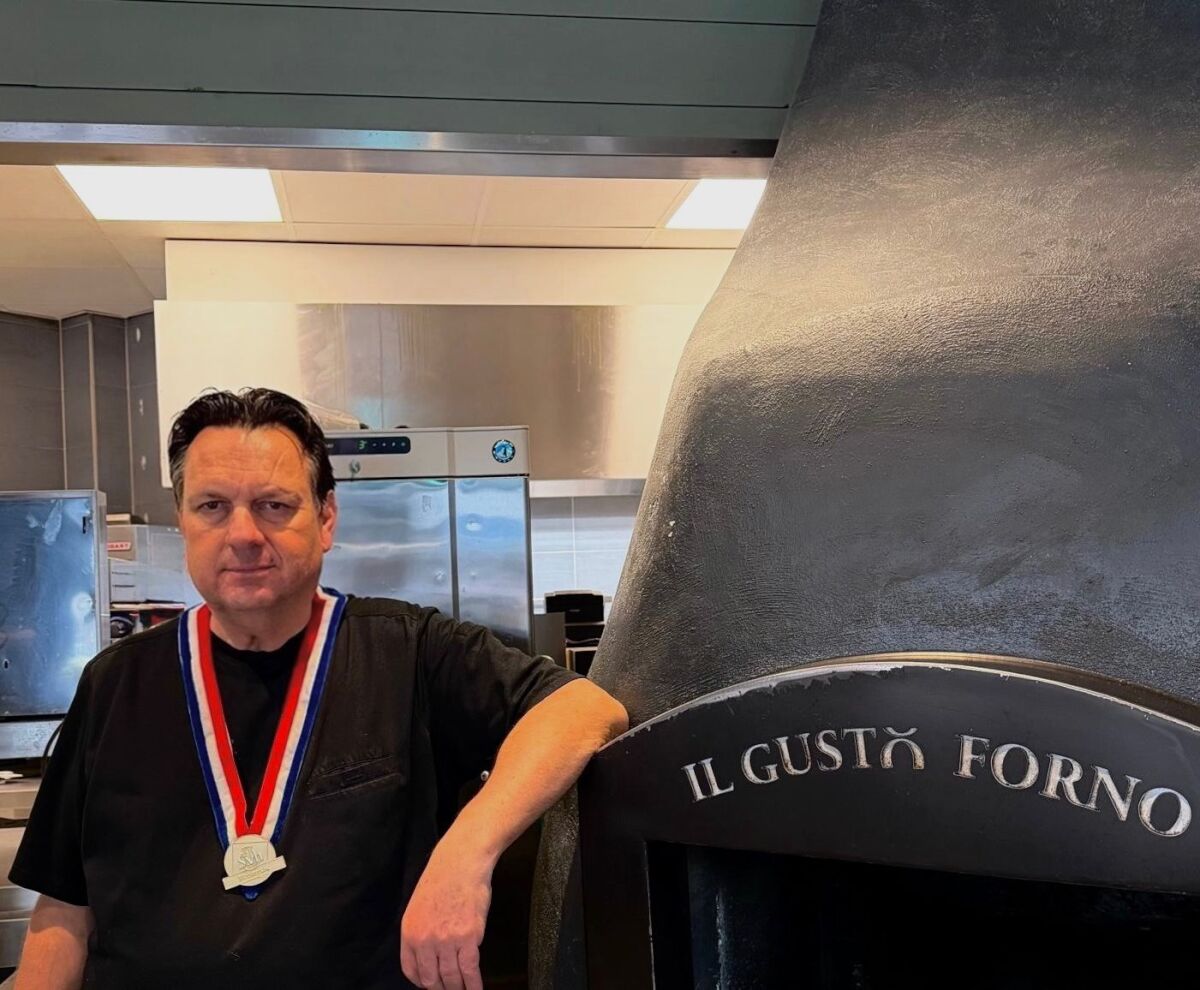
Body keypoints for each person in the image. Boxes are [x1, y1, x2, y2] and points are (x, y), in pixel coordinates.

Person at [8, 388, 628, 990]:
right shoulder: (114, 682)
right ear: (183, 520)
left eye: (274, 505)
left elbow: (583, 708)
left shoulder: (408, 650)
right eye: (213, 506)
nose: (243, 534)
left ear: (326, 518)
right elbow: (65, 909)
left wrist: (465, 854)